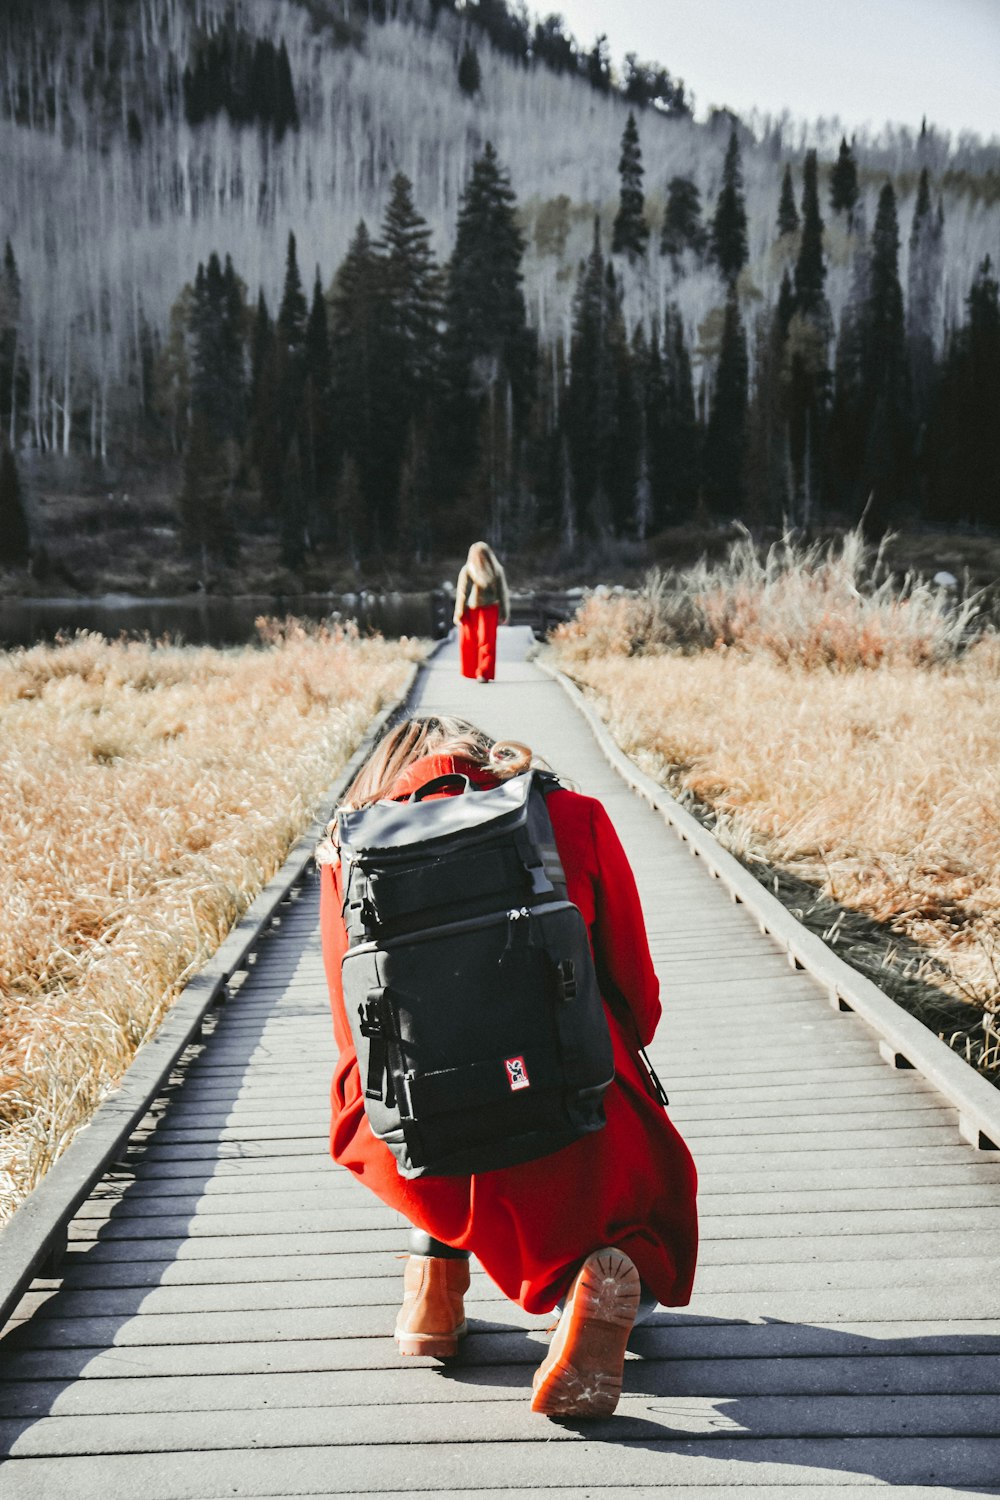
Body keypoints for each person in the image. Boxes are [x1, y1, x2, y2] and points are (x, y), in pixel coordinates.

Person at [317, 715, 698, 1419]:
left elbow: (353, 1040)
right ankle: (588, 1285)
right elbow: (634, 992)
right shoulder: (570, 817)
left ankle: (430, 1295)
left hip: (424, 1133)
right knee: (638, 1238)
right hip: (567, 1103)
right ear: (489, 757)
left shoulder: (349, 848)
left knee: (397, 1110)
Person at [453, 541, 510, 682]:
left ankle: (481, 671)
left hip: (481, 610)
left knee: (479, 641)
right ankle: (481, 672)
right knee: (482, 641)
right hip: (482, 610)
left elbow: (462, 593)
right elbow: (462, 592)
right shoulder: (492, 570)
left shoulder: (492, 571)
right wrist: (504, 612)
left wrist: (458, 613)